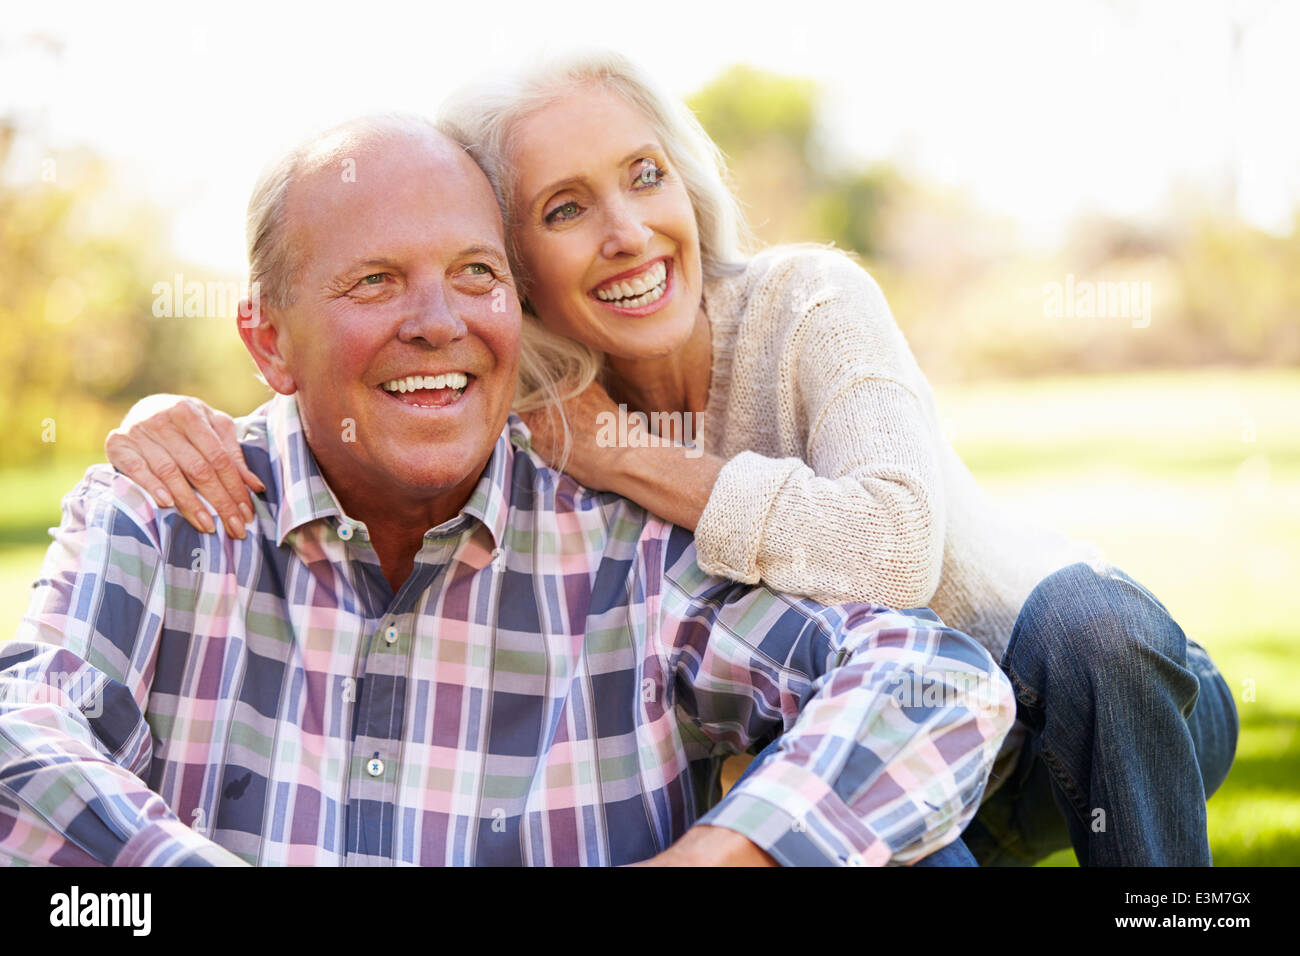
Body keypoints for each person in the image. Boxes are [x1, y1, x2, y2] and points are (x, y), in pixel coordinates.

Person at [104, 52, 1237, 866]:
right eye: (565, 207)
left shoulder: (807, 299)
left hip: (1082, 713)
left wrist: (630, 456)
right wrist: (171, 412)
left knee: (1092, 621)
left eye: (645, 175)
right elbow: (365, 382)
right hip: (901, 752)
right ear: (510, 259)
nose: (630, 231)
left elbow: (892, 550)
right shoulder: (532, 401)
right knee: (844, 820)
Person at [0, 116, 1015, 867]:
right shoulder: (169, 515)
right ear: (267, 338)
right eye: (375, 281)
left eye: (477, 274)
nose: (439, 321)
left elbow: (936, 679)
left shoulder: (621, 552)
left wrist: (727, 852)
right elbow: (23, 729)